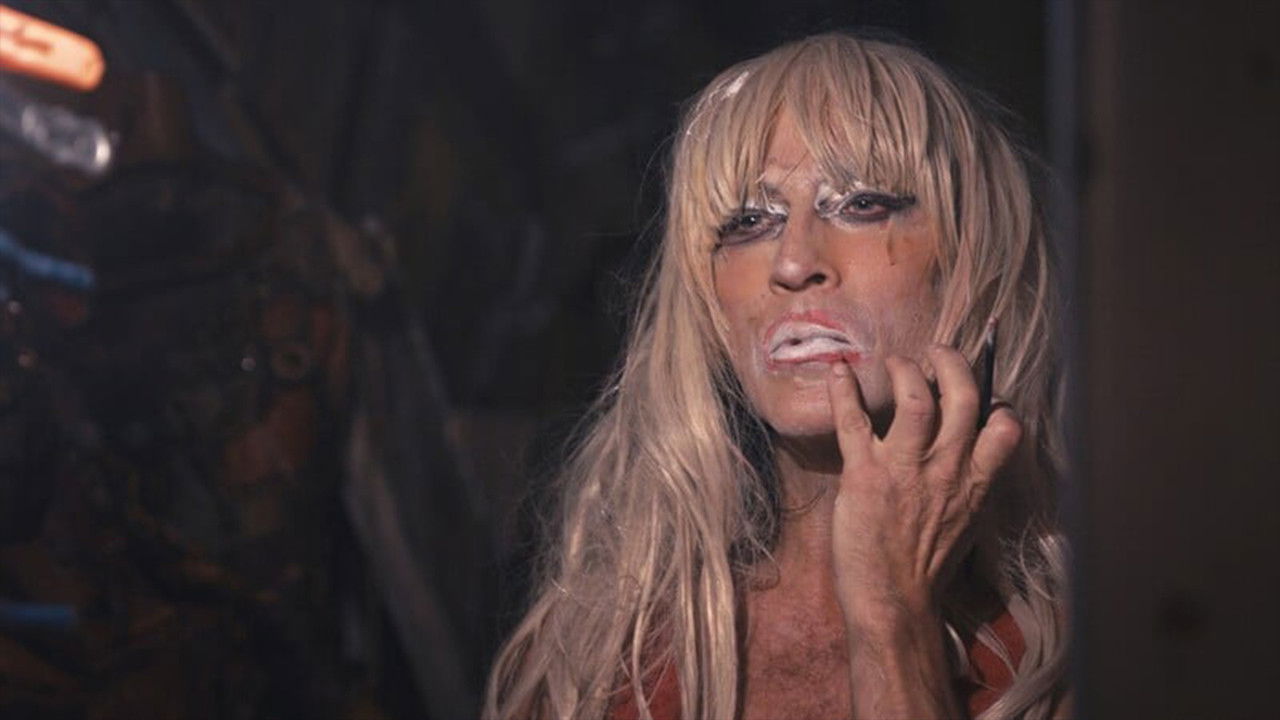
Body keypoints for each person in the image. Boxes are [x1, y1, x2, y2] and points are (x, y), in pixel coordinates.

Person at [485, 33, 1070, 720]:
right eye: (748, 221)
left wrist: (891, 616)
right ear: (709, 303)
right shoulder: (600, 657)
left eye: (860, 203)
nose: (792, 264)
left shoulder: (1080, 653)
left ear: (977, 264)